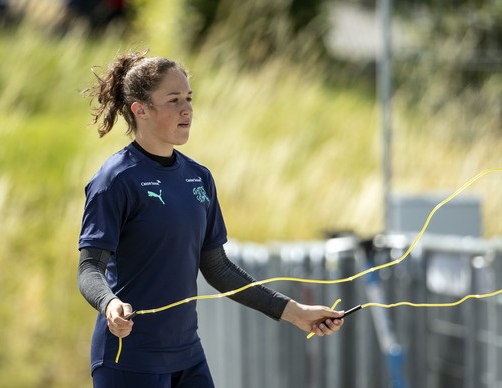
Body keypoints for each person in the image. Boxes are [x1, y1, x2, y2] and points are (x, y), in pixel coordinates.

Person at [77, 50, 344, 388]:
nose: (186, 108)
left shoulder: (198, 177)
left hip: (187, 356)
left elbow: (219, 269)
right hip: (128, 358)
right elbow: (88, 269)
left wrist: (296, 314)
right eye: (173, 100)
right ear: (140, 110)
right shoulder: (115, 180)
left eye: (188, 98)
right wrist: (110, 303)